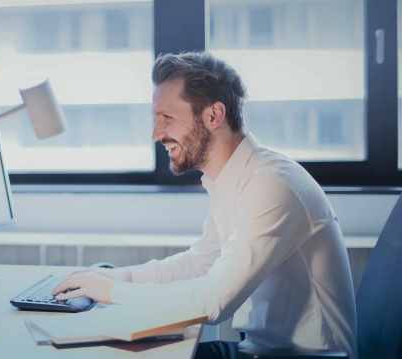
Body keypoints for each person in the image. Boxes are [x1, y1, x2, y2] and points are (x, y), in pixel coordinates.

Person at [52, 52, 357, 358]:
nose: (156, 134)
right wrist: (113, 278)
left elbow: (213, 301)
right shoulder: (233, 178)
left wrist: (110, 292)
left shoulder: (272, 184)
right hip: (260, 350)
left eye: (167, 118)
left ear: (213, 116)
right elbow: (201, 263)